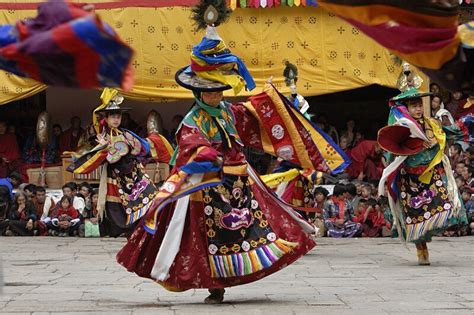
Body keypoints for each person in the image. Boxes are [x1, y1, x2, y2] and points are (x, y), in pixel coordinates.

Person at [116, 4, 346, 304]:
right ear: (198, 93)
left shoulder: (227, 111)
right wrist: (209, 154)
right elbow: (191, 146)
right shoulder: (192, 121)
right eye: (209, 91)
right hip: (209, 186)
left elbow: (253, 117)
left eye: (219, 90)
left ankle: (247, 269)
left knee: (260, 224)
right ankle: (216, 285)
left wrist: (279, 102)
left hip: (241, 182)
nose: (216, 95)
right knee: (211, 237)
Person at [378, 88, 467, 265]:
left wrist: (461, 125)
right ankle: (421, 247)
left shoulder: (432, 124)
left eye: (420, 105)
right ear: (407, 108)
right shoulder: (402, 126)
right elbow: (393, 150)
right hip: (409, 179)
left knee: (445, 205)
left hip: (431, 174)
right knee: (415, 215)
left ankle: (444, 230)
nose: (418, 109)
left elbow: (452, 133)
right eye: (414, 106)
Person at [68, 88, 173, 237]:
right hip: (115, 176)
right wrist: (104, 147)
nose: (116, 119)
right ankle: (124, 230)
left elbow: (143, 146)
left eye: (118, 116)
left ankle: (142, 228)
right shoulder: (100, 135)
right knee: (115, 207)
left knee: (151, 196)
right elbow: (92, 153)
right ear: (107, 118)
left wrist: (156, 142)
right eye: (113, 116)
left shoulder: (126, 133)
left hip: (135, 173)